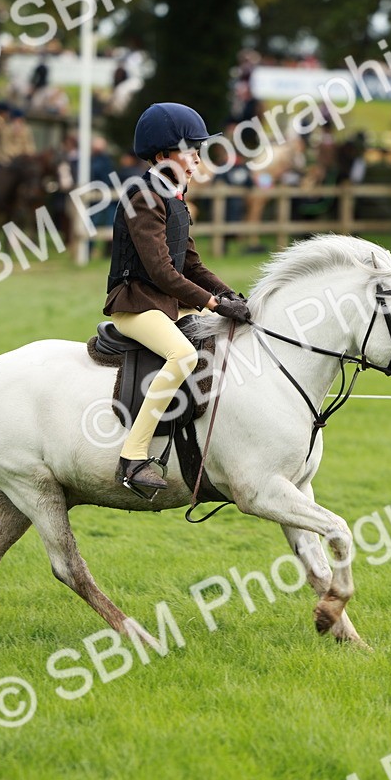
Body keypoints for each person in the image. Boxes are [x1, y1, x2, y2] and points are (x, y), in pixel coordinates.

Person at [104, 103, 251, 495]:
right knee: (184, 355)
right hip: (134, 303)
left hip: (166, 302)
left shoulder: (174, 197)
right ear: (162, 155)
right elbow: (162, 272)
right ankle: (132, 458)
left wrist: (229, 295)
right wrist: (213, 304)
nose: (197, 158)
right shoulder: (143, 198)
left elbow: (192, 263)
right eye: (190, 149)